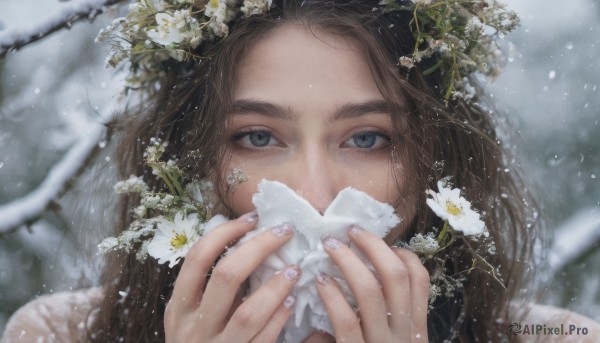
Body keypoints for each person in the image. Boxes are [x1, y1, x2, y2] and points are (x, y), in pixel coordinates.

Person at [2, 0, 599, 342]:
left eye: (367, 138)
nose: (312, 195)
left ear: (437, 162)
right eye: (257, 137)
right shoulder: (59, 334)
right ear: (186, 159)